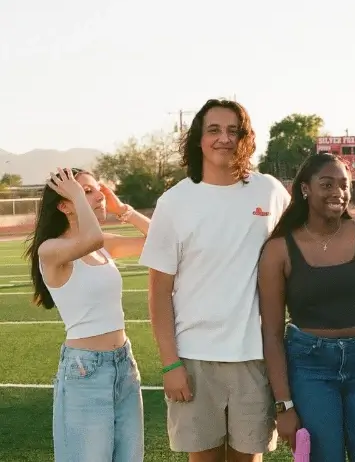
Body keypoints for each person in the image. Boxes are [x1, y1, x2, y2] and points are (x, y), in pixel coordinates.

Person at [139, 99, 291, 462]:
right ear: (198, 139)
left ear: (245, 139)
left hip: (254, 357)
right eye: (214, 130)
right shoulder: (174, 202)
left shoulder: (268, 191)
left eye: (233, 131)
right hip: (194, 360)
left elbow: (313, 232)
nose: (224, 138)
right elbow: (159, 291)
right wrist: (170, 364)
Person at [258, 152, 355, 461]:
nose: (337, 192)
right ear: (305, 189)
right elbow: (271, 333)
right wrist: (284, 404)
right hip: (308, 367)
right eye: (327, 184)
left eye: (344, 184)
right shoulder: (279, 249)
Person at [25, 167, 151, 462]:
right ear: (64, 205)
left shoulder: (101, 244)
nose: (99, 196)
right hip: (85, 373)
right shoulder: (51, 249)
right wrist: (83, 201)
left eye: (98, 190)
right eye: (87, 191)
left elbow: (160, 240)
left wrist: (124, 210)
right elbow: (91, 238)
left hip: (124, 366)